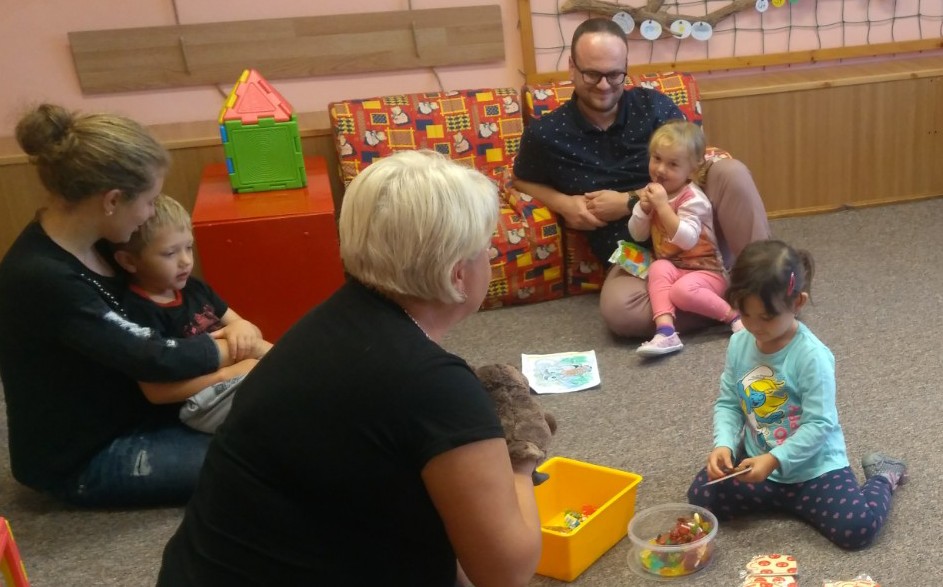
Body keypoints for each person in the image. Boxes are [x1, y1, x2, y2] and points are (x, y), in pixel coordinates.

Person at [157, 150, 545, 586]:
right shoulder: (434, 385)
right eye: (487, 248)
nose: (490, 257)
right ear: (459, 274)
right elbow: (505, 572)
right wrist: (518, 459)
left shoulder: (331, 322)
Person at [0, 103, 256, 507]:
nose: (151, 214)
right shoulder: (41, 277)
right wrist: (239, 351)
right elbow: (153, 357)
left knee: (276, 426)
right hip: (89, 456)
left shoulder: (101, 241)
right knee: (260, 461)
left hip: (144, 409)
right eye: (151, 201)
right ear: (112, 200)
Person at [513, 16, 771, 339]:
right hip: (640, 254)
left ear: (626, 67)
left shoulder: (655, 108)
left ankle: (766, 288)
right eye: (592, 74)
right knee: (621, 313)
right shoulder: (547, 134)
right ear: (572, 68)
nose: (604, 85)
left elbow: (696, 170)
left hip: (696, 235)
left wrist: (628, 201)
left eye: (614, 74)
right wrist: (564, 203)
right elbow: (521, 179)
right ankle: (734, 300)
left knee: (732, 172)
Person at [687, 239, 907, 549]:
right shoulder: (739, 344)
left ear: (797, 303)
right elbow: (728, 402)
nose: (754, 326)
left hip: (814, 470)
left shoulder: (812, 357)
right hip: (758, 462)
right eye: (745, 314)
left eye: (766, 317)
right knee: (701, 496)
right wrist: (723, 444)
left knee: (857, 529)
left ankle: (884, 475)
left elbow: (819, 424)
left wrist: (775, 459)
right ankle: (783, 500)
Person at [112, 194, 272, 433]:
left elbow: (247, 330)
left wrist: (242, 327)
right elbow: (156, 393)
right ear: (129, 261)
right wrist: (228, 374)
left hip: (240, 373)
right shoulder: (138, 311)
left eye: (188, 247)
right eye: (170, 253)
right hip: (201, 403)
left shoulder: (193, 288)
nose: (186, 261)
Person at [629, 120, 741, 357]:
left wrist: (662, 207)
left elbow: (687, 240)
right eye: (656, 158)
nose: (660, 169)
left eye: (672, 164)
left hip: (707, 271)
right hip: (675, 267)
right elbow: (638, 234)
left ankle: (734, 317)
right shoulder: (654, 193)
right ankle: (666, 331)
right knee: (658, 267)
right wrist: (643, 209)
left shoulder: (693, 198)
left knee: (680, 291)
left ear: (691, 169)